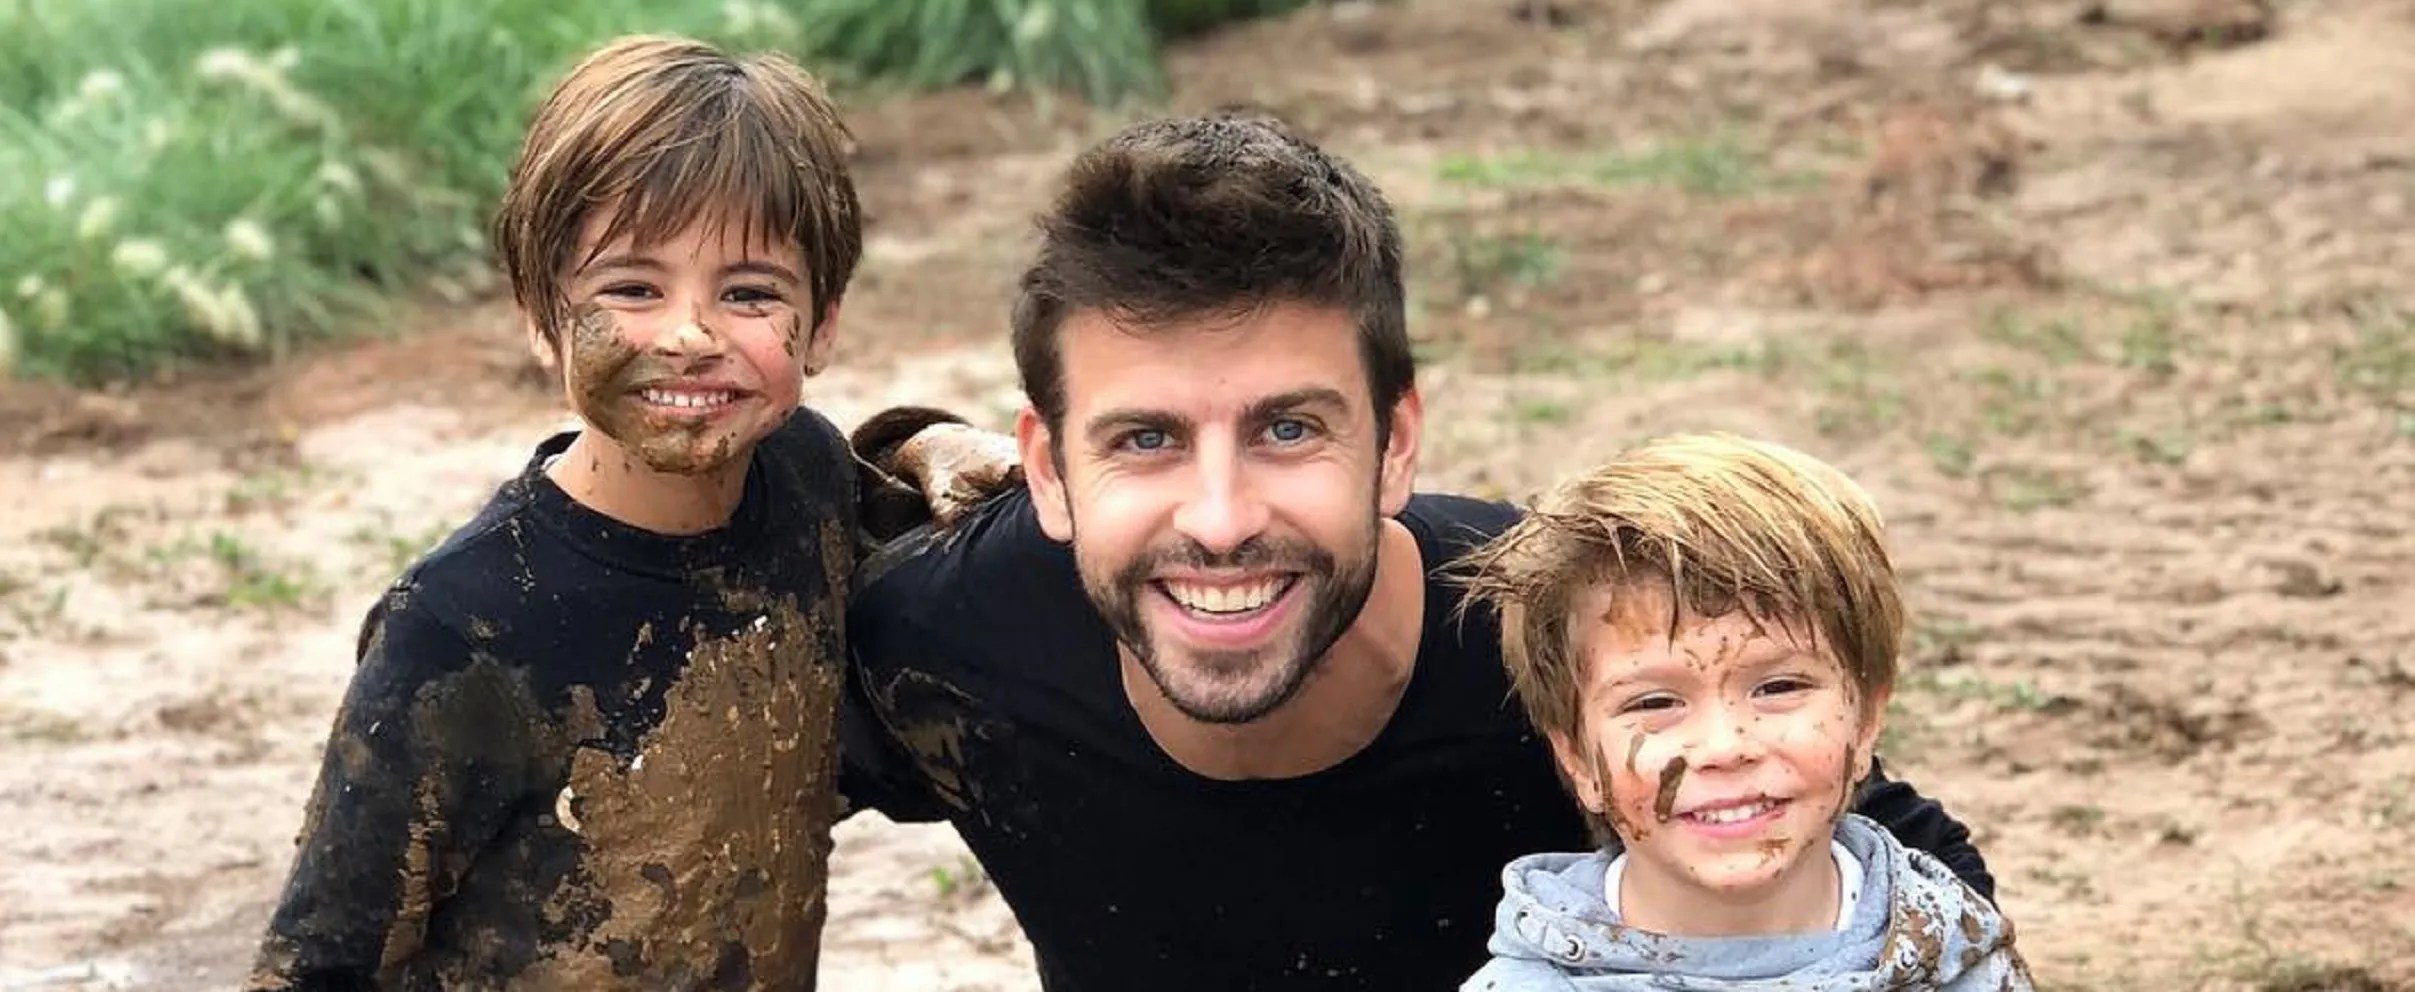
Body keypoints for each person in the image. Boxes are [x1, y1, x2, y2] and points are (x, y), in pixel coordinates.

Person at [838, 113, 1994, 992]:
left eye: (1291, 428)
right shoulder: (942, 641)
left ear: (1394, 443)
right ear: (1046, 468)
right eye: (1144, 439)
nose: (1223, 515)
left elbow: (1910, 868)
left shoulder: (1563, 637)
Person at [247, 35, 870, 989]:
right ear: (542, 315)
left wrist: (929, 444)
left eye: (750, 293)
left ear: (821, 324)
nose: (691, 334)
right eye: (631, 287)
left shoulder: (809, 482)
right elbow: (323, 963)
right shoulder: (461, 629)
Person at [1451, 433, 2030, 991]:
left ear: (1867, 718)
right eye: (1655, 702)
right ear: (1576, 758)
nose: (1725, 746)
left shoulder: (1961, 955)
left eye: (1777, 687)